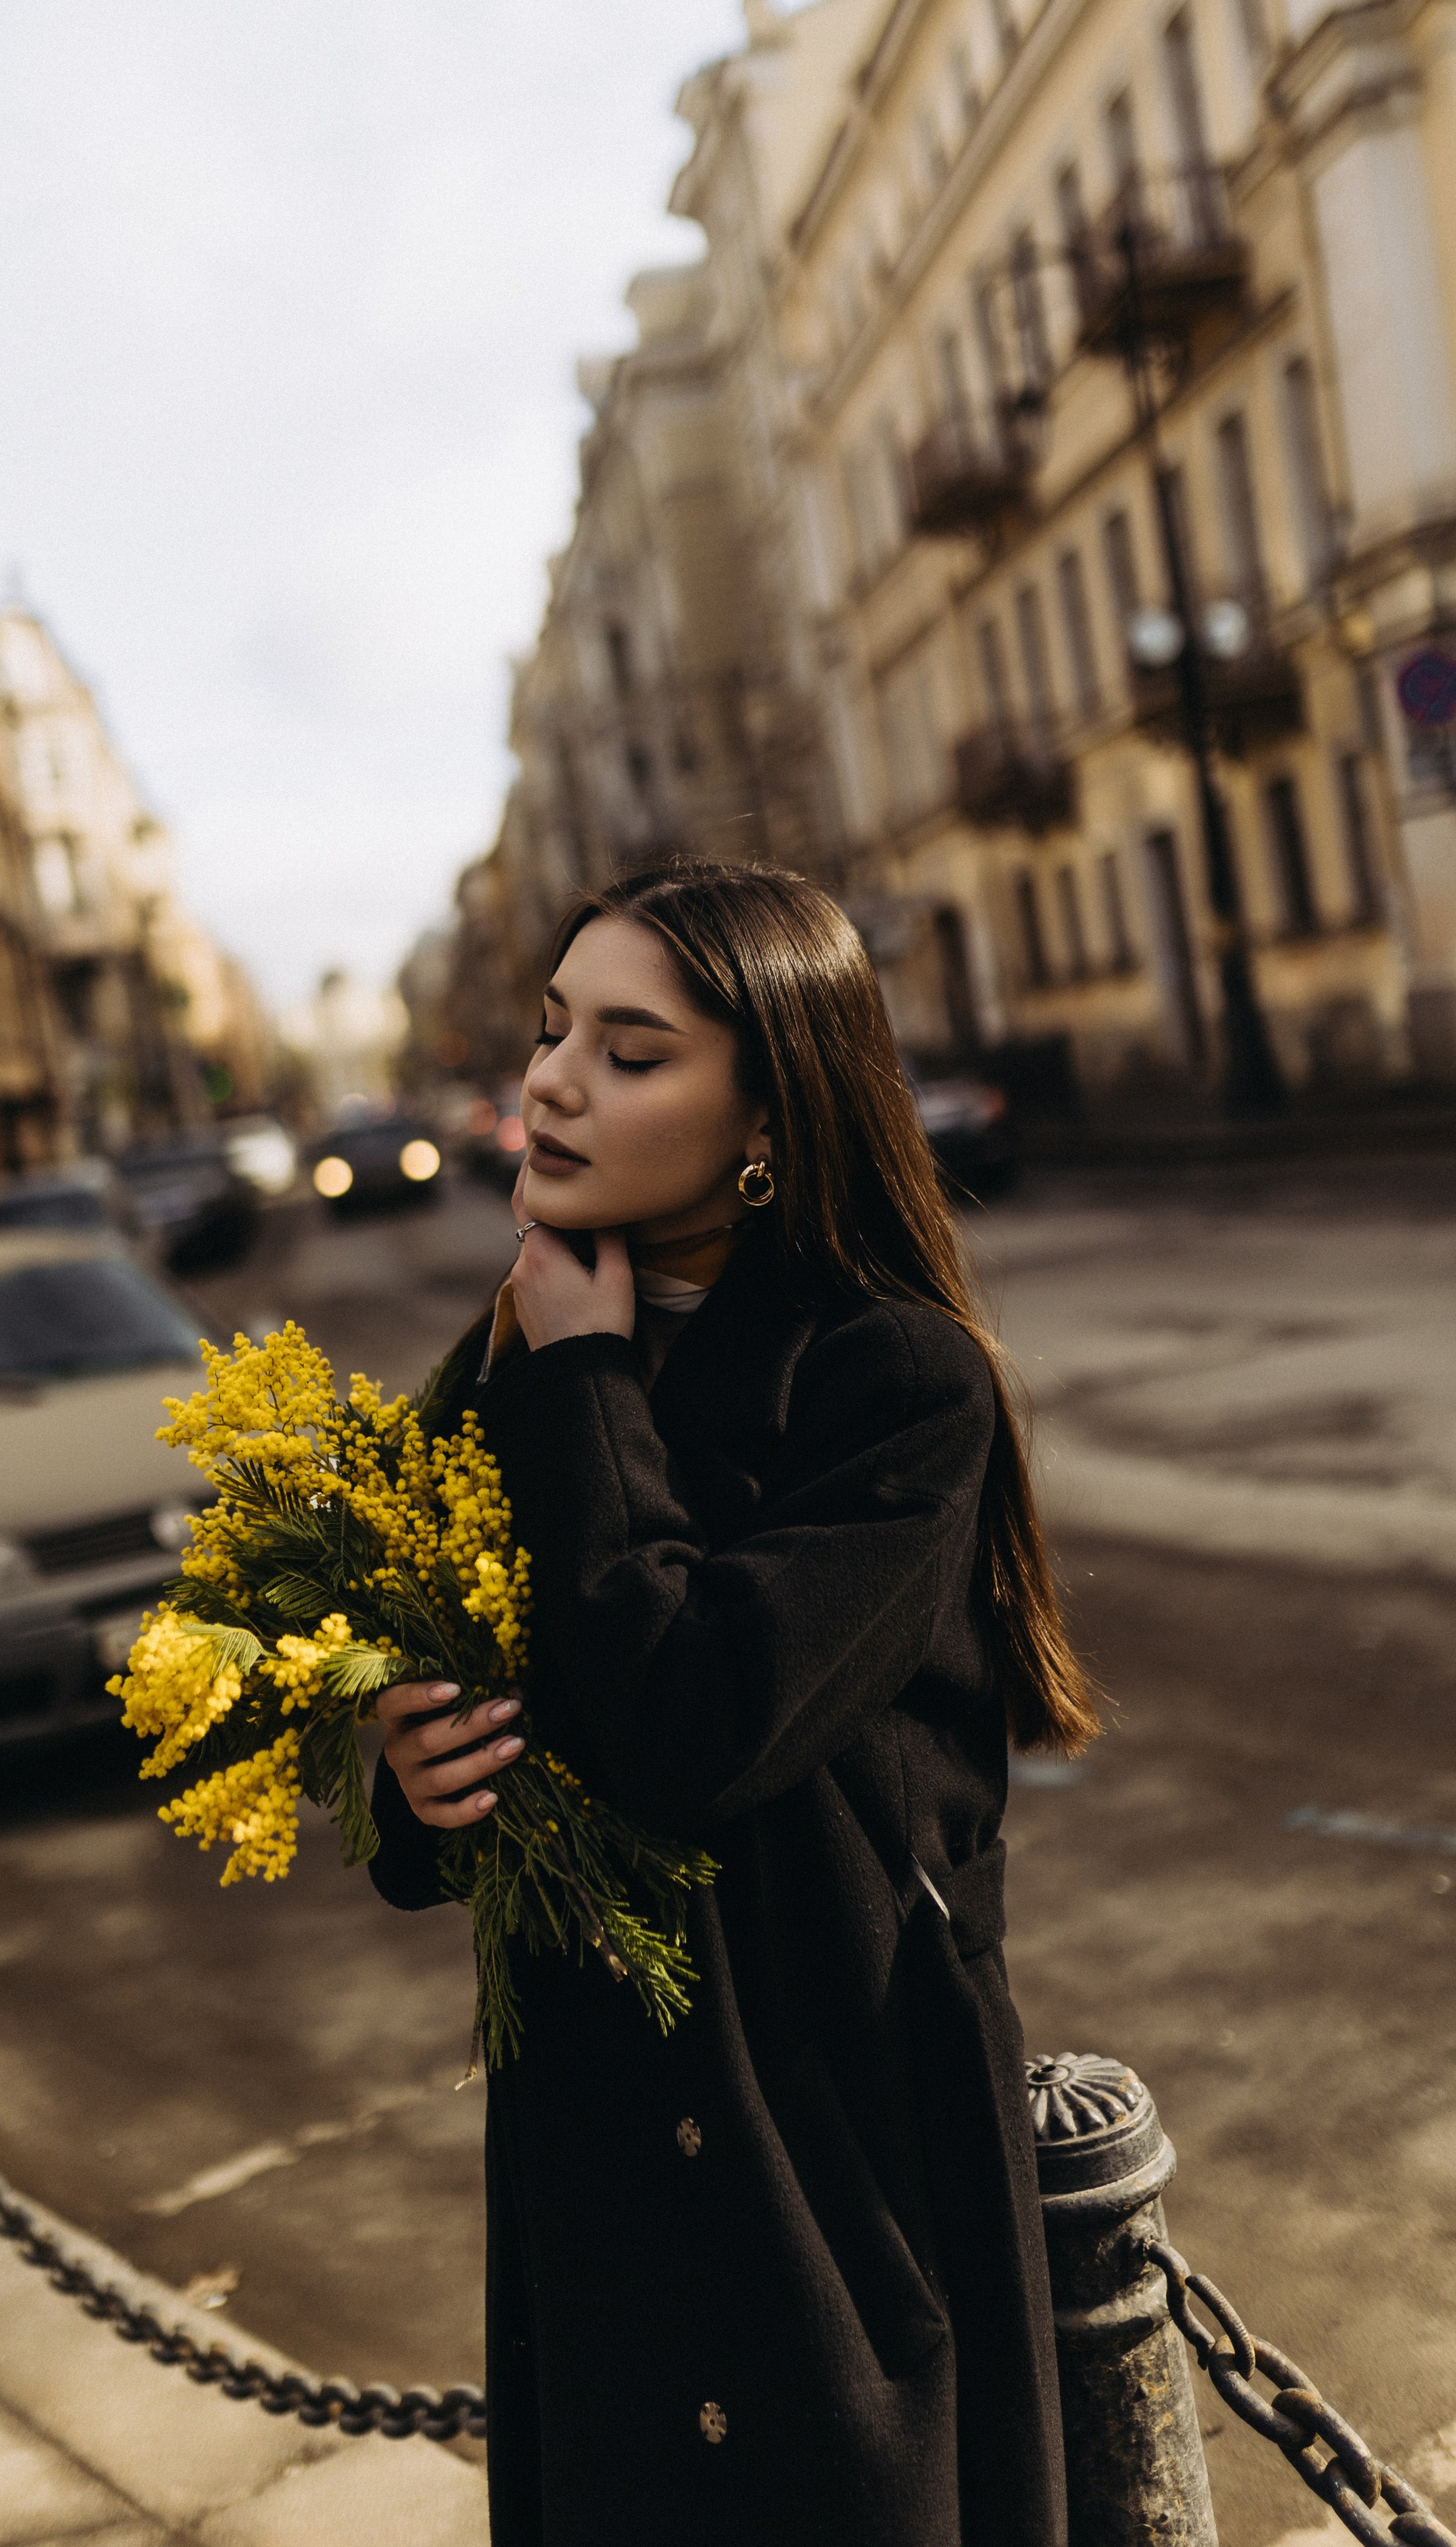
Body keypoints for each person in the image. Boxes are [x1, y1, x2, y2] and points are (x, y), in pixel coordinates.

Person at [368, 857, 1099, 2547]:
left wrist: (578, 1378)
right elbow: (423, 1799)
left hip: (831, 2170)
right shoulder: (501, 1369)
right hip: (598, 2170)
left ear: (767, 1110)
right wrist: (408, 1771)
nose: (550, 1080)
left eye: (632, 1053)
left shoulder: (892, 1383)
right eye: (554, 1031)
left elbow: (687, 1728)